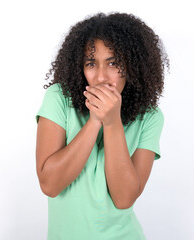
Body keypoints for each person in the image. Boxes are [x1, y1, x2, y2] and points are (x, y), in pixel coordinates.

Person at [35, 12, 169, 240]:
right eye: (90, 63)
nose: (100, 76)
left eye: (113, 63)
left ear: (133, 65)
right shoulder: (58, 98)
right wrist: (95, 119)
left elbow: (124, 198)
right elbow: (50, 184)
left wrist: (112, 121)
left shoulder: (150, 117)